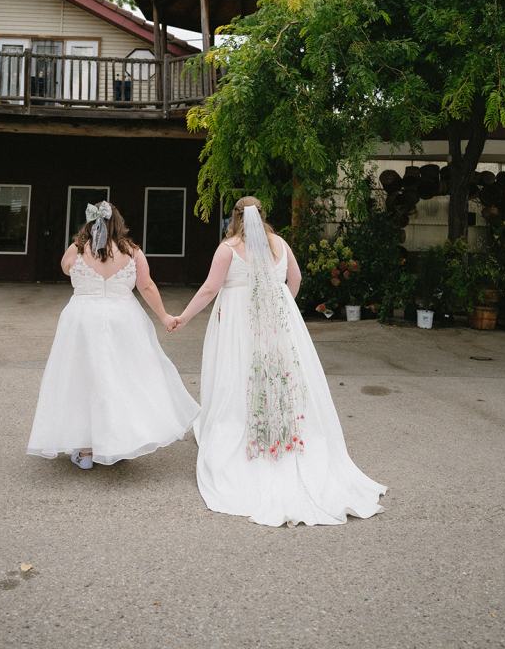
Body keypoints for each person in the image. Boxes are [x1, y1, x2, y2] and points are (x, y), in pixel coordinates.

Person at [169, 196, 387, 526]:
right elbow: (295, 281)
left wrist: (182, 318)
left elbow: (210, 288)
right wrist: (279, 306)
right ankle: (283, 432)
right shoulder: (280, 244)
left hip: (238, 328)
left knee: (240, 377)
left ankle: (249, 435)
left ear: (235, 218)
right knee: (282, 377)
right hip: (278, 325)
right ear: (263, 216)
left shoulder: (228, 249)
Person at [27, 201, 199, 469]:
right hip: (123, 319)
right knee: (121, 377)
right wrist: (165, 316)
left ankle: (85, 451)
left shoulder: (79, 248)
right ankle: (117, 443)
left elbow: (64, 266)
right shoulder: (132, 252)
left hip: (82, 320)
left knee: (81, 378)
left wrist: (80, 243)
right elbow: (147, 285)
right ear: (118, 223)